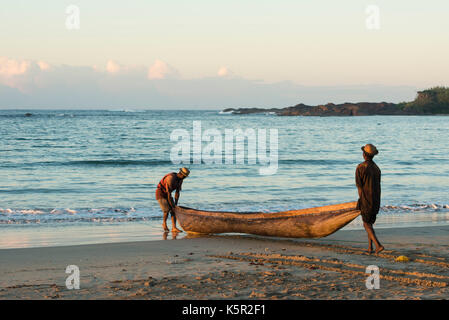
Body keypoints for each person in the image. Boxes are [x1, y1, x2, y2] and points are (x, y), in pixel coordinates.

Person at [355, 144, 384, 254]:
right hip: (376, 200)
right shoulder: (377, 168)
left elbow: (359, 187)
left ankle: (378, 245)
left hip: (367, 199)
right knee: (369, 224)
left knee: (366, 224)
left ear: (364, 154)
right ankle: (370, 248)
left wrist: (361, 200)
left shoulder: (360, 167)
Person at [156, 167, 190, 232]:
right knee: (166, 210)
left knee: (174, 210)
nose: (185, 178)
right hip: (161, 193)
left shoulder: (180, 180)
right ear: (181, 174)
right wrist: (172, 205)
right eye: (184, 176)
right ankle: (164, 223)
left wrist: (175, 204)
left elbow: (177, 193)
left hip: (168, 194)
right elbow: (168, 194)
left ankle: (174, 227)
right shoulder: (171, 178)